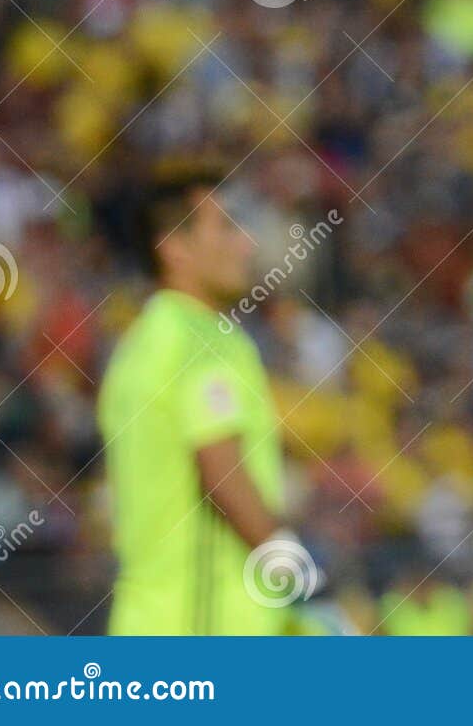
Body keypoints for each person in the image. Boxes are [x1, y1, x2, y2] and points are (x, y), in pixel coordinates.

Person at [98, 164, 315, 634]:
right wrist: (303, 577)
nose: (247, 244)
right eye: (227, 226)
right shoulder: (199, 340)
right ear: (174, 246)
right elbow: (223, 475)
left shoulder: (137, 347)